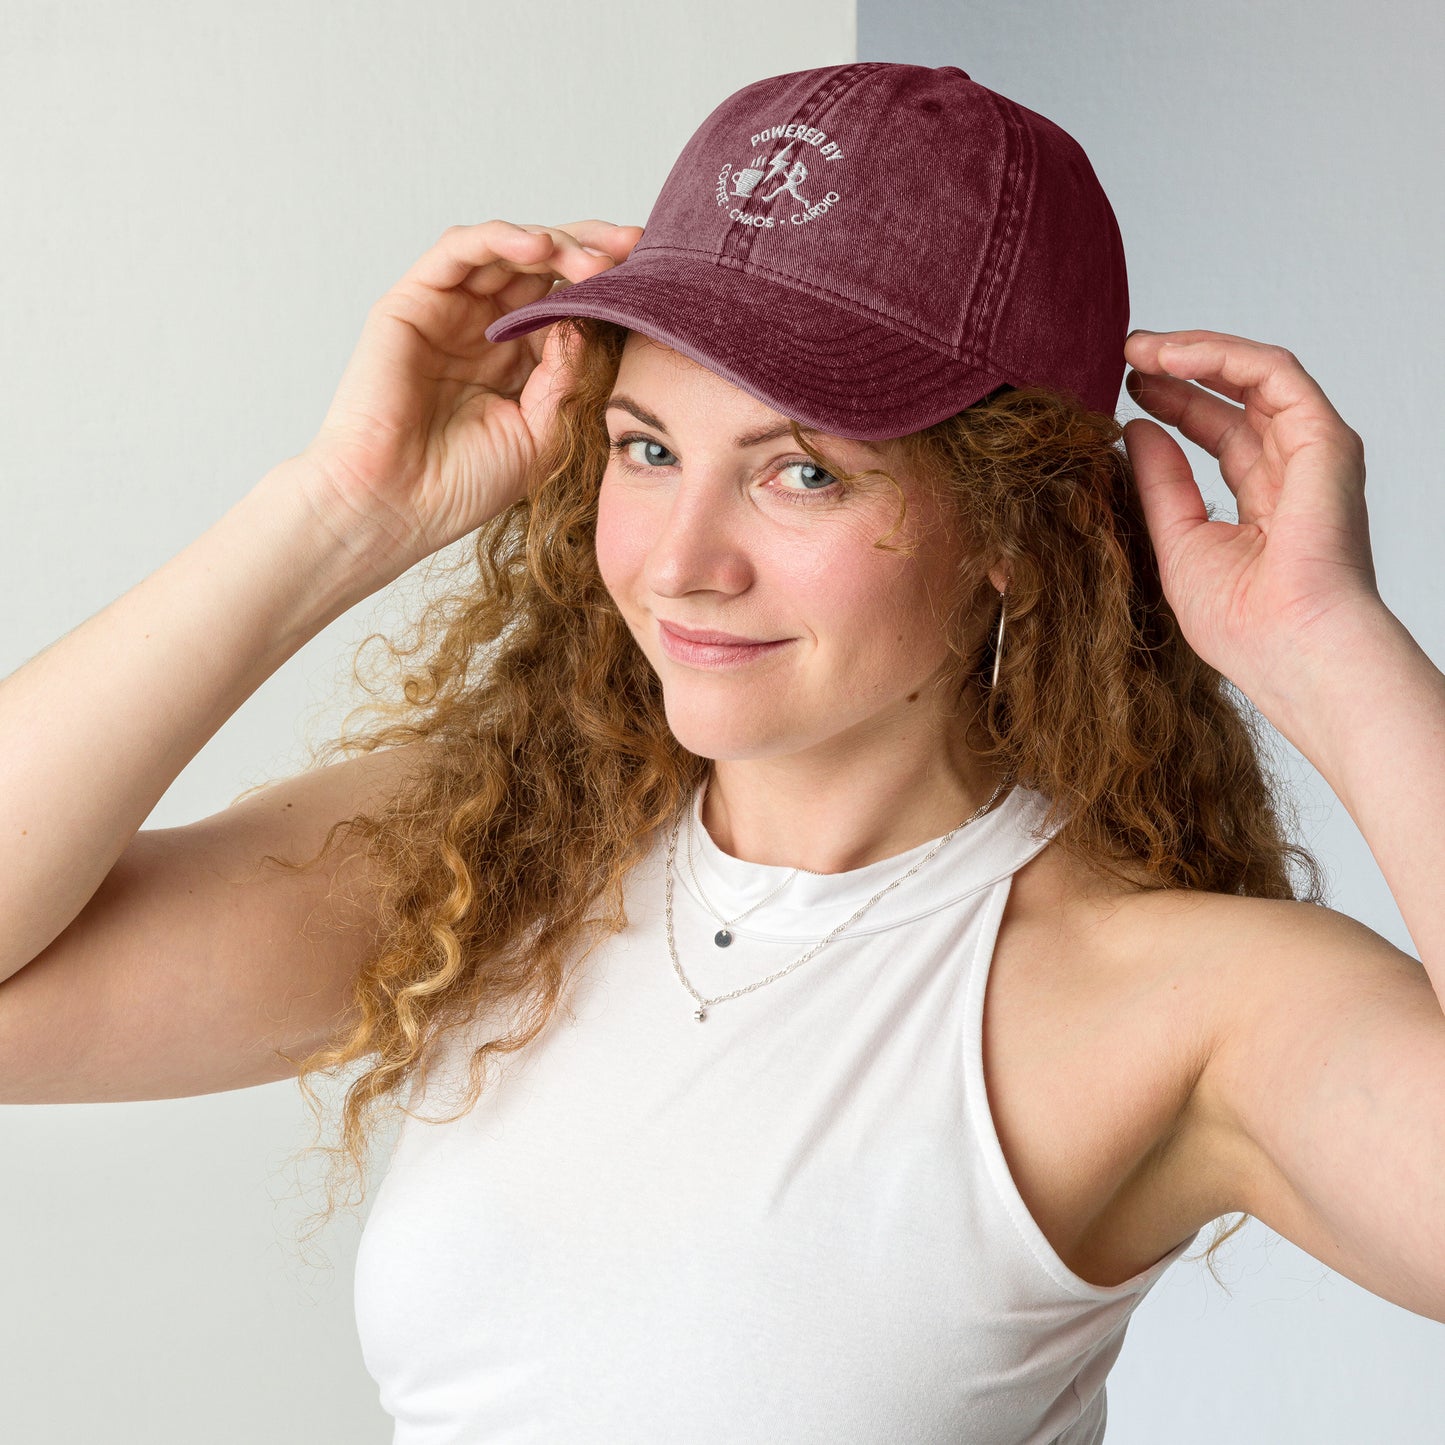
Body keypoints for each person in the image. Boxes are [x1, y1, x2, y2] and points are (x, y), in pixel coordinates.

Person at [1, 59, 1441, 1443]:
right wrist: (334, 512)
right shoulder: (492, 856)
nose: (682, 563)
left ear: (1011, 527)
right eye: (644, 449)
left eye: (798, 471)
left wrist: (1326, 647)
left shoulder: (1173, 1004)